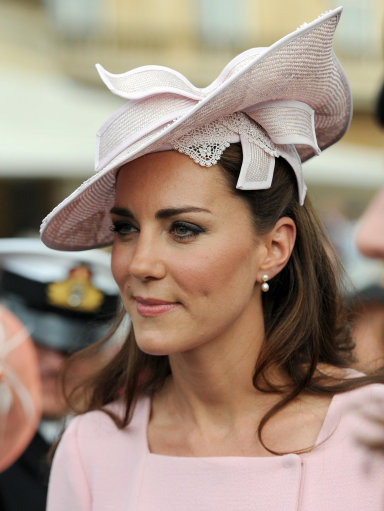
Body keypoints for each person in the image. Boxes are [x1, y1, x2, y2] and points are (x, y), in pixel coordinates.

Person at [40, 8, 384, 511]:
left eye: (183, 228)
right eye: (125, 229)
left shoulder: (370, 432)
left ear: (274, 248)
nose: (140, 263)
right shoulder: (91, 448)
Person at [0, 238, 121, 511]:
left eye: (77, 347)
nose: (55, 365)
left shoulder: (128, 442)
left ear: (105, 352)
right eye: (38, 341)